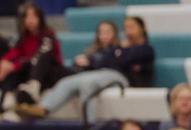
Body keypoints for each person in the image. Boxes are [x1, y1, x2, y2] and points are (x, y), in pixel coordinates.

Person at [15, 16, 155, 121]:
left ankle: (89, 125)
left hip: (121, 78)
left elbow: (119, 60)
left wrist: (119, 56)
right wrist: (118, 57)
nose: (128, 31)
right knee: (67, 81)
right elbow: (110, 60)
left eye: (132, 27)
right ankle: (43, 108)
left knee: (88, 83)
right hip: (102, 74)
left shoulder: (146, 49)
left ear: (142, 29)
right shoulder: (118, 49)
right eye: (126, 27)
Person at [0, 2, 67, 109]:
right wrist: (4, 63)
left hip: (52, 71)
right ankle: (7, 98)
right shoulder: (24, 37)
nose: (30, 20)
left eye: (33, 16)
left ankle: (33, 86)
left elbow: (36, 58)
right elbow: (15, 52)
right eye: (27, 17)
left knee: (42, 57)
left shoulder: (48, 35)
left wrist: (14, 66)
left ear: (40, 18)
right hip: (31, 71)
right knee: (13, 71)